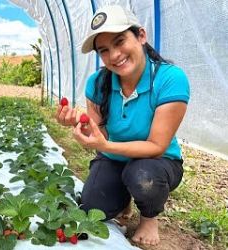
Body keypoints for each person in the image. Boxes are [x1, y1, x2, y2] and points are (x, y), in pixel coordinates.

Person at [56, 5, 190, 246]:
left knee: (142, 177)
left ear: (141, 36)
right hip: (114, 158)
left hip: (157, 162)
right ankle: (123, 198)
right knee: (92, 207)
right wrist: (81, 125)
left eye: (120, 42)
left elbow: (156, 146)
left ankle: (149, 217)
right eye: (104, 50)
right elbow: (99, 133)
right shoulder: (97, 83)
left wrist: (106, 144)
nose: (114, 55)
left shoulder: (170, 79)